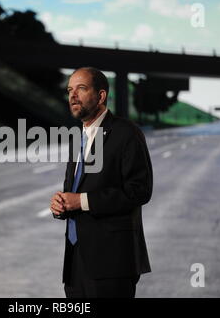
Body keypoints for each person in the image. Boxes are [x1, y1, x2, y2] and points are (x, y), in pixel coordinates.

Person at [50, 67, 153, 298]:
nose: (73, 96)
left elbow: (139, 191)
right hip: (76, 262)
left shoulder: (127, 133)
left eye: (81, 89)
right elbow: (76, 188)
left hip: (112, 264)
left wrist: (82, 201)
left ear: (101, 96)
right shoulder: (78, 138)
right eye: (70, 90)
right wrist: (62, 204)